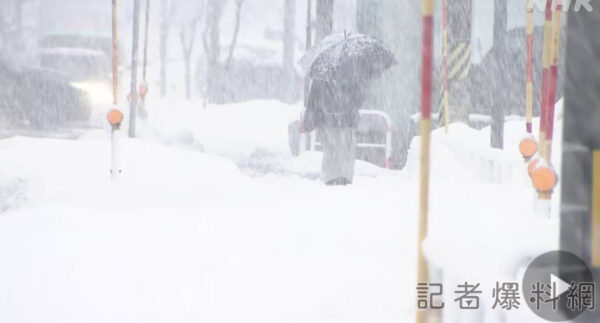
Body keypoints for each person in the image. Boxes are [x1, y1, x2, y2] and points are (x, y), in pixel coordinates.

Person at [303, 78, 367, 185]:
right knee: (346, 152)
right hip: (347, 120)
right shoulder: (352, 73)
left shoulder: (322, 73)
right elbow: (359, 99)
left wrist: (309, 121)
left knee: (331, 151)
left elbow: (314, 98)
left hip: (327, 120)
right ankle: (343, 179)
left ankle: (331, 179)